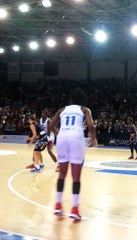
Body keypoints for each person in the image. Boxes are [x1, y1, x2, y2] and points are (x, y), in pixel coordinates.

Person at [49, 88, 96, 220]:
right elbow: (91, 125)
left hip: (62, 139)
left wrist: (61, 135)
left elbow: (51, 126)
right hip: (76, 138)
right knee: (76, 177)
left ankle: (57, 205)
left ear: (71, 99)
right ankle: (74, 209)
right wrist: (93, 137)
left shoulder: (62, 110)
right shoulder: (84, 110)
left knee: (62, 174)